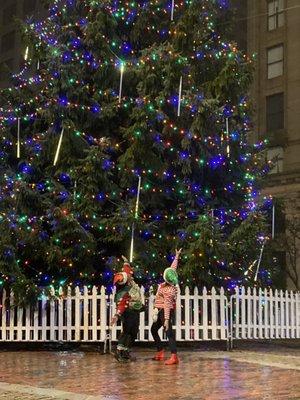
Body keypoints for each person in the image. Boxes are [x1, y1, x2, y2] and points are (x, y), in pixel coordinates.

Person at [151, 248, 182, 365]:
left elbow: (168, 305)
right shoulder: (167, 283)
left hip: (165, 311)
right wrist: (177, 257)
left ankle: (174, 356)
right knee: (153, 330)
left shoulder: (169, 289)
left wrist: (167, 319)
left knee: (169, 333)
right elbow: (173, 269)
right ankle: (160, 351)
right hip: (159, 311)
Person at [111, 256, 144, 362]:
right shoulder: (124, 289)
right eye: (128, 274)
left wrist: (126, 262)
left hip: (135, 311)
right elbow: (121, 304)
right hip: (128, 312)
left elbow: (126, 270)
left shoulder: (131, 282)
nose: (130, 274)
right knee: (127, 331)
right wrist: (117, 315)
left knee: (134, 331)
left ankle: (126, 351)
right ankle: (119, 351)